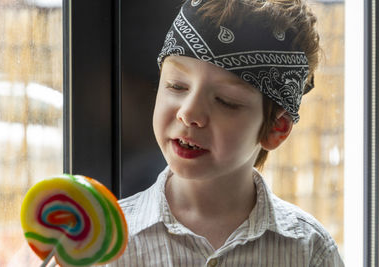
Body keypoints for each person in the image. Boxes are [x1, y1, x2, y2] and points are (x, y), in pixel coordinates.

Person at [108, 0, 344, 266]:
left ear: (276, 128)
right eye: (176, 86)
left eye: (225, 101)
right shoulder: (107, 243)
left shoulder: (310, 250)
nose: (189, 113)